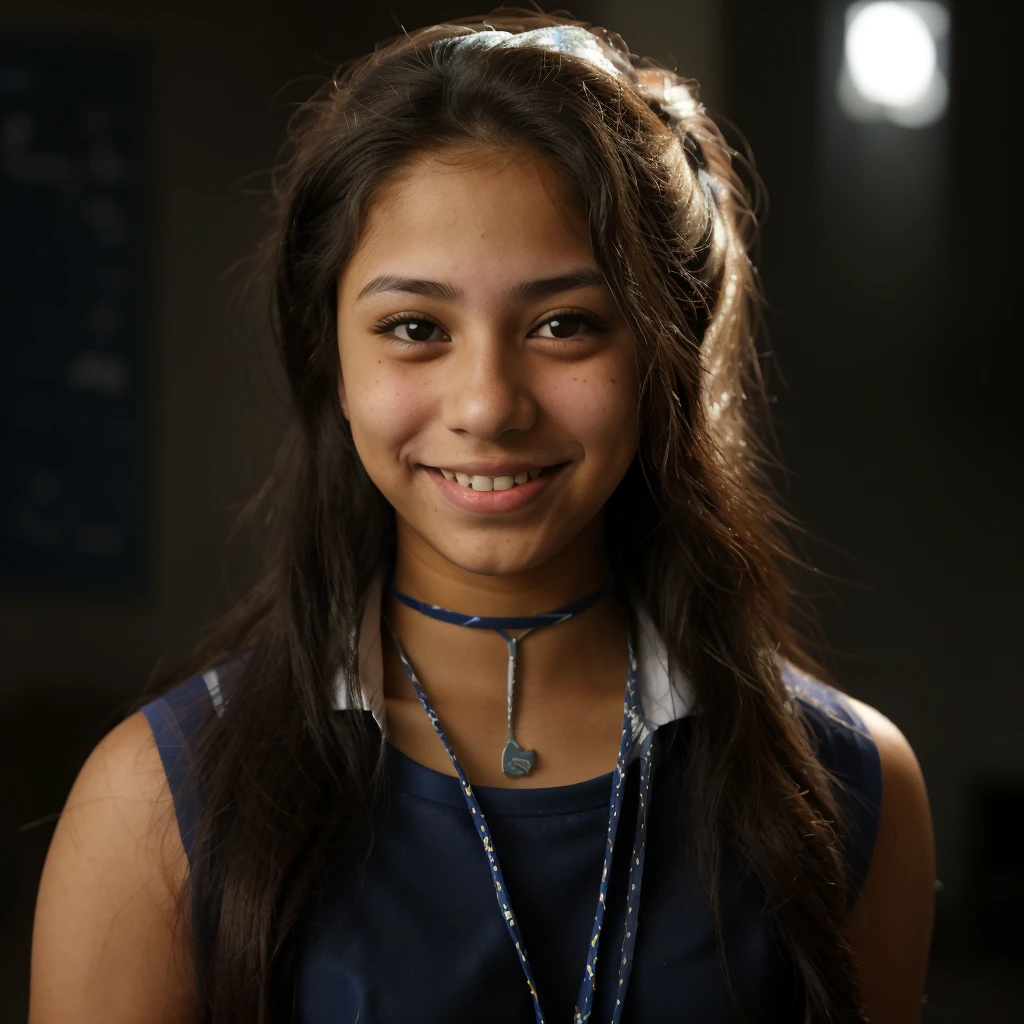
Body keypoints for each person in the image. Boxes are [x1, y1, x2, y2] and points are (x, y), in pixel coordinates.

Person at [28, 7, 935, 1023]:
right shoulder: (156, 801)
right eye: (415, 327)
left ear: (660, 353)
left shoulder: (848, 787)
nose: (488, 404)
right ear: (329, 357)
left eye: (564, 324)